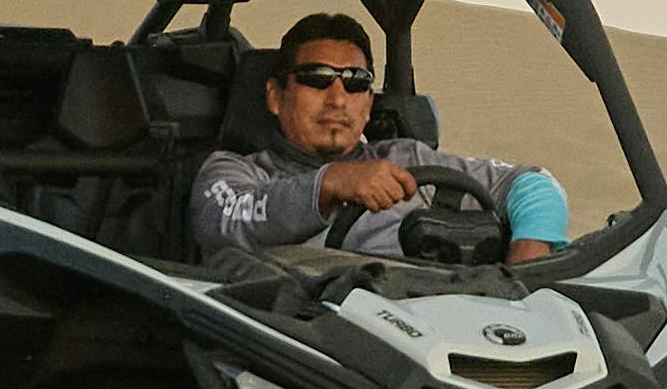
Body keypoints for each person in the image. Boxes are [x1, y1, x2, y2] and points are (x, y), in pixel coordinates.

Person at [185, 15, 571, 265]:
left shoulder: (407, 160)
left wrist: (529, 256)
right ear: (274, 95)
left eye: (355, 83)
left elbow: (533, 184)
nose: (337, 98)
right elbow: (224, 220)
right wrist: (331, 183)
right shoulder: (235, 171)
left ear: (368, 105)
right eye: (317, 78)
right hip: (317, 352)